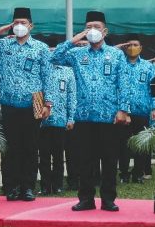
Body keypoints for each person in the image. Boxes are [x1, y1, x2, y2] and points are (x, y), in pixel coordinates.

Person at [51, 11, 130, 212]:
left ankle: (108, 199)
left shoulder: (116, 55)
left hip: (109, 116)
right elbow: (54, 57)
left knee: (110, 160)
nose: (92, 31)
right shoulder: (77, 54)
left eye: (96, 27)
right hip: (83, 116)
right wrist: (74, 40)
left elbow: (124, 84)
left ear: (105, 31)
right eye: (88, 27)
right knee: (84, 160)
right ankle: (86, 199)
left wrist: (123, 110)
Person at [0, 7, 52, 202]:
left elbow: (47, 76)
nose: (19, 26)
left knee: (30, 148)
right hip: (8, 103)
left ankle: (28, 188)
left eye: (23, 23)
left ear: (31, 26)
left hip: (34, 101)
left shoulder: (40, 48)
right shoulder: (3, 46)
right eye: (15, 23)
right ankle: (11, 187)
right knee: (10, 148)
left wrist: (48, 103)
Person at [116, 35, 155, 184]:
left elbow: (153, 89)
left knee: (140, 144)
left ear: (140, 48)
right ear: (125, 48)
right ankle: (124, 173)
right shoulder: (119, 65)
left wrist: (154, 108)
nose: (132, 47)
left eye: (135, 45)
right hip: (123, 111)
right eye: (129, 45)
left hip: (142, 111)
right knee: (124, 144)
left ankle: (138, 173)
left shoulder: (147, 66)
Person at [38, 64, 76, 195]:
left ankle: (58, 185)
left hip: (60, 120)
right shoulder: (41, 69)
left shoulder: (68, 72)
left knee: (58, 155)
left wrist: (71, 118)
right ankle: (45, 186)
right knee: (44, 155)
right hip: (42, 121)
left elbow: (71, 96)